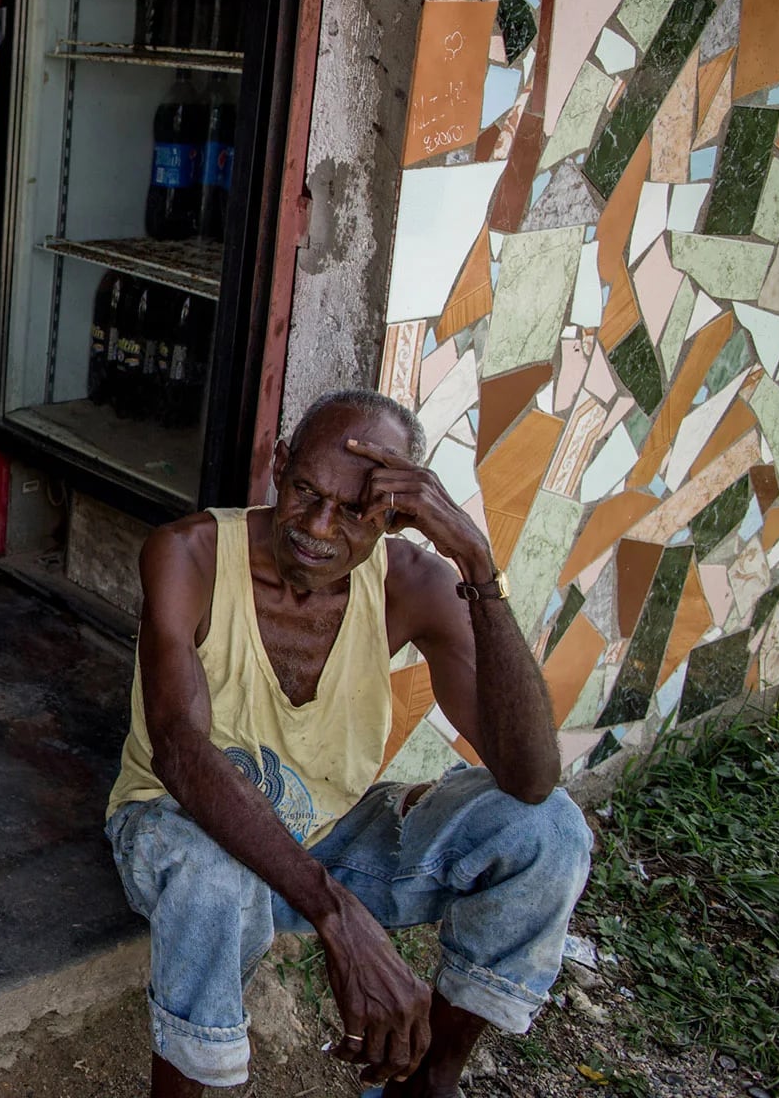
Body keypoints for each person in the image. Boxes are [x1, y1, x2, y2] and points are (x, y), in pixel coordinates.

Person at [106, 388, 592, 1096]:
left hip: (328, 835)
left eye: (356, 511)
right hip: (179, 831)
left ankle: (425, 1085)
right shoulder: (191, 554)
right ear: (279, 465)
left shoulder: (413, 584)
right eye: (306, 492)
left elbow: (530, 776)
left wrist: (478, 566)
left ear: (395, 515)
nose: (318, 527)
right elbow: (180, 753)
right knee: (213, 874)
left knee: (548, 829)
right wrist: (335, 912)